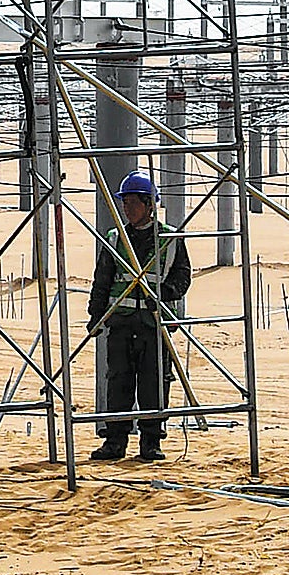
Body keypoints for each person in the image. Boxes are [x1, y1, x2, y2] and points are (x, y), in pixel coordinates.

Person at [86, 171, 190, 463]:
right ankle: (115, 442)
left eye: (134, 203)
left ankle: (151, 441)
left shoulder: (169, 239)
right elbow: (102, 280)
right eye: (125, 203)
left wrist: (164, 293)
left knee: (154, 383)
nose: (128, 209)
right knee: (118, 382)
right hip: (121, 321)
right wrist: (96, 314)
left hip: (153, 323)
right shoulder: (115, 238)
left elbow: (182, 277)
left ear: (149, 205)